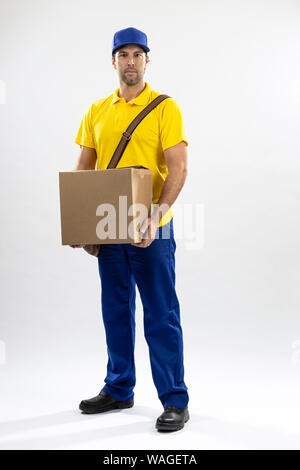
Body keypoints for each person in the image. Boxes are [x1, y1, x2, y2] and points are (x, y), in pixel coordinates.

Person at [71, 27, 190, 432]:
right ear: (113, 61)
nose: (131, 62)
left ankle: (175, 399)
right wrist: (82, 221)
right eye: (123, 55)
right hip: (110, 226)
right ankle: (119, 388)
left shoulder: (164, 108)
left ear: (147, 60)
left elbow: (178, 167)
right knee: (115, 311)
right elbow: (84, 169)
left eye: (138, 54)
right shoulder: (96, 110)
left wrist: (156, 217)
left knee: (161, 313)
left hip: (151, 228)